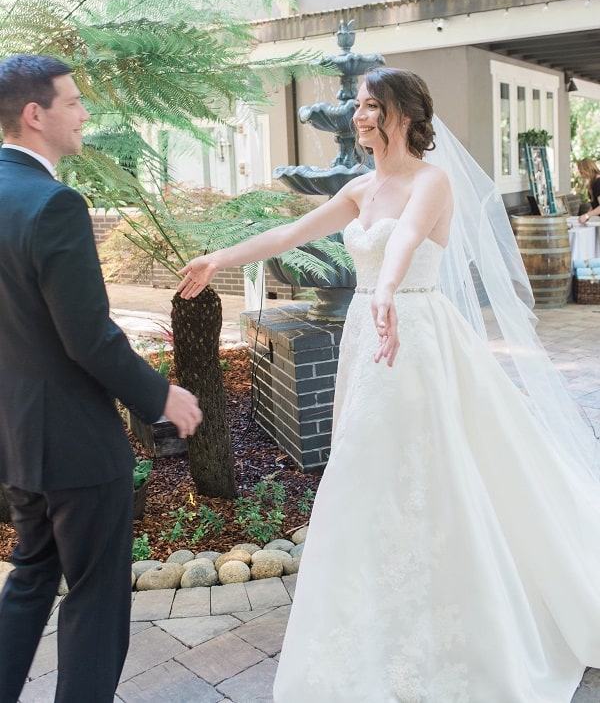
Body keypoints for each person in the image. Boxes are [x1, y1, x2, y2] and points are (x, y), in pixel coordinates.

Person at [178, 67, 600, 702]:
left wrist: (384, 291)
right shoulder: (358, 188)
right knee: (368, 467)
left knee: (431, 468)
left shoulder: (433, 181)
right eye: (359, 106)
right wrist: (220, 259)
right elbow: (291, 233)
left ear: (403, 115)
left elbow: (403, 240)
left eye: (372, 106)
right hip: (369, 337)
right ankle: (371, 608)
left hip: (416, 331)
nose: (359, 116)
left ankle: (462, 608)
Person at [0, 54, 202, 703]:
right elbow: (87, 335)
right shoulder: (54, 204)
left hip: (17, 440)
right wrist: (160, 394)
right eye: (73, 102)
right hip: (78, 447)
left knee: (31, 575)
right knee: (95, 597)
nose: (85, 114)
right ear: (36, 116)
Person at [577, 156, 600, 224]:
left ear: (587, 170)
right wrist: (587, 215)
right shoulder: (594, 182)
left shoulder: (598, 183)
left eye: (582, 172)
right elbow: (595, 205)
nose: (581, 175)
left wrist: (587, 216)